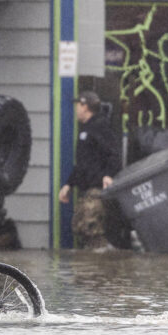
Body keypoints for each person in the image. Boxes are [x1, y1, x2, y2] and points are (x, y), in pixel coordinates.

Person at [58, 90, 123, 249]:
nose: (76, 110)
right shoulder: (86, 129)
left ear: (85, 106)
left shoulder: (100, 126)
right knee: (80, 227)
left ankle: (103, 264)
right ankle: (89, 269)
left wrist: (108, 175)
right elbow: (82, 163)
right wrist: (69, 185)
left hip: (97, 190)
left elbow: (114, 154)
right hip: (85, 190)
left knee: (91, 229)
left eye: (77, 106)